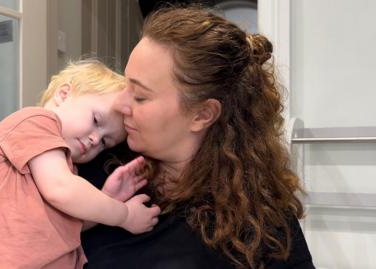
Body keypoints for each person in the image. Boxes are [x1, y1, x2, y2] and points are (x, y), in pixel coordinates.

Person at [80, 6, 315, 269]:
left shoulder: (260, 223)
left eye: (140, 96)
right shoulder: (95, 163)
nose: (119, 104)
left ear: (202, 114)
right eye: (126, 85)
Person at [0, 60, 161, 269]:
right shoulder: (35, 121)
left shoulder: (65, 168)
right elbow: (60, 189)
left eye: (105, 142)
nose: (96, 140)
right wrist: (124, 214)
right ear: (63, 94)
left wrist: (106, 197)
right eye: (96, 120)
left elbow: (65, 225)